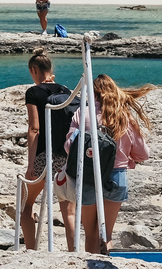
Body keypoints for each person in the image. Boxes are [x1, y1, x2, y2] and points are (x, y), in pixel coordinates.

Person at [63, 75, 152, 254]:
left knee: (90, 234)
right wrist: (127, 157)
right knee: (106, 234)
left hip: (88, 176)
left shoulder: (82, 113)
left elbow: (69, 147)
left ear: (93, 92)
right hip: (117, 176)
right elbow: (143, 154)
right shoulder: (124, 116)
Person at [22, 48, 75, 251]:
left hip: (44, 156)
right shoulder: (66, 91)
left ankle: (30, 250)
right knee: (68, 208)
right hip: (66, 156)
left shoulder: (33, 92)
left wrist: (30, 164)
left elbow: (34, 129)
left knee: (26, 207)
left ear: (34, 69)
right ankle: (73, 252)